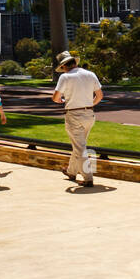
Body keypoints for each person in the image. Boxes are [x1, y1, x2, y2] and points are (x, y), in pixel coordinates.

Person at [52, 50, 103, 187]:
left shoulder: (65, 77)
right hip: (89, 114)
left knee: (80, 147)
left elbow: (55, 98)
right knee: (79, 145)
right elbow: (99, 96)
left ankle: (88, 177)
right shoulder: (90, 74)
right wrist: (87, 105)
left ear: (63, 66)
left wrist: (62, 101)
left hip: (74, 114)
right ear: (75, 62)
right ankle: (71, 171)